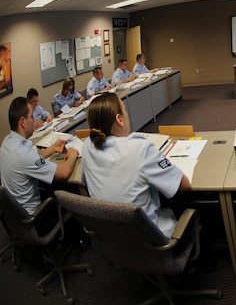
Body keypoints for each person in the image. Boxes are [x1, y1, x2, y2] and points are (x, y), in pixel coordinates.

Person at [82, 93, 191, 238]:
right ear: (119, 119)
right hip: (151, 242)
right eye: (124, 109)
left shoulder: (87, 146)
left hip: (112, 240)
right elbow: (183, 184)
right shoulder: (140, 147)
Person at [0, 97, 79, 233]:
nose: (34, 121)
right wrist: (73, 153)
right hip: (34, 220)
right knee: (69, 193)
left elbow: (32, 162)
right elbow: (63, 172)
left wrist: (52, 148)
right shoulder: (24, 155)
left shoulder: (8, 142)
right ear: (23, 122)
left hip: (16, 216)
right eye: (31, 116)